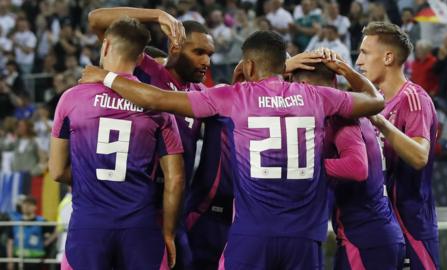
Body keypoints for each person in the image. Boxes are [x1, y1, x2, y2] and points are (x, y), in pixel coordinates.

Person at [79, 30, 384, 268]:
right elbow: (375, 101)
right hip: (305, 238)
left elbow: (155, 100)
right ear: (283, 66)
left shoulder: (234, 96)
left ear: (249, 66)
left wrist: (105, 77)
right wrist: (344, 70)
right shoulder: (318, 96)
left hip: (251, 236)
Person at [48, 17, 185, 269]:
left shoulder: (72, 98)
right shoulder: (157, 105)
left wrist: (95, 180)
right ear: (140, 55)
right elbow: (175, 179)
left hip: (89, 225)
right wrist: (168, 234)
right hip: (141, 226)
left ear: (106, 45)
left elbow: (56, 170)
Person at [88, 8, 214, 269]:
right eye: (199, 52)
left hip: (171, 212)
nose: (206, 62)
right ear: (176, 46)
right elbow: (96, 20)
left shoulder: (201, 93)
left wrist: (285, 64)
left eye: (210, 55)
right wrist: (158, 15)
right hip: (134, 207)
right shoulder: (150, 71)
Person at [292, 63, 405, 269]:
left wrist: (306, 165)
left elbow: (357, 167)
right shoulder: (348, 111)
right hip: (376, 237)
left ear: (304, 86)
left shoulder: (339, 117)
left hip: (364, 241)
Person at [356, 21, 439, 270]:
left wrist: (380, 123)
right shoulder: (375, 101)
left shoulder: (414, 98)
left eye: (365, 53)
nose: (359, 61)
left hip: (412, 223)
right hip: (381, 225)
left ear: (388, 57)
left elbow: (419, 155)